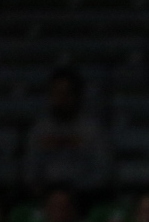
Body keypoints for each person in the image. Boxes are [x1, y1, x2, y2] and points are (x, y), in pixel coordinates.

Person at [22, 66, 113, 202]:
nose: (61, 99)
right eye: (56, 93)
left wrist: (76, 190)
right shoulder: (40, 130)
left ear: (77, 95)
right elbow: (31, 168)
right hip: (47, 197)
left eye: (66, 93)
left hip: (84, 196)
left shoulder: (92, 129)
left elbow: (103, 171)